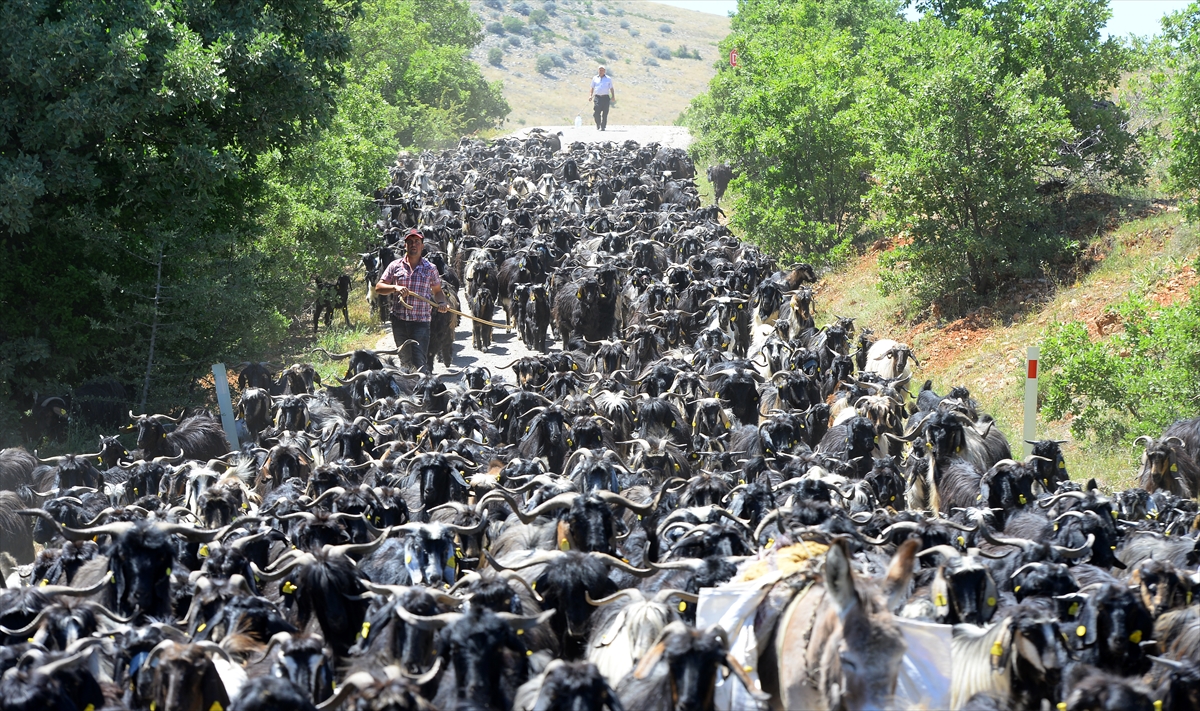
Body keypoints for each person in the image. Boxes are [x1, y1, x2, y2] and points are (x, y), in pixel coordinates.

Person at [374, 229, 449, 374]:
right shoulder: (395, 266)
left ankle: (422, 394)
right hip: (399, 322)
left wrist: (441, 303)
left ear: (422, 246)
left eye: (417, 242)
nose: (413, 244)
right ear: (405, 245)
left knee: (420, 362)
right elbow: (379, 287)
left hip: (421, 323)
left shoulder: (430, 269)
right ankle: (409, 393)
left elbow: (438, 291)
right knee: (404, 362)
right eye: (410, 242)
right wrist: (395, 287)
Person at [588, 65, 615, 131]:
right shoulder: (595, 78)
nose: (601, 71)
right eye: (600, 70)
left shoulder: (608, 79)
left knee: (605, 113)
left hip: (605, 97)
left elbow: (611, 88)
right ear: (598, 70)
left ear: (604, 71)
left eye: (602, 70)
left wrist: (613, 96)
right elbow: (592, 87)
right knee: (596, 112)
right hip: (597, 97)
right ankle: (598, 123)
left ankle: (603, 126)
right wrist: (590, 95)